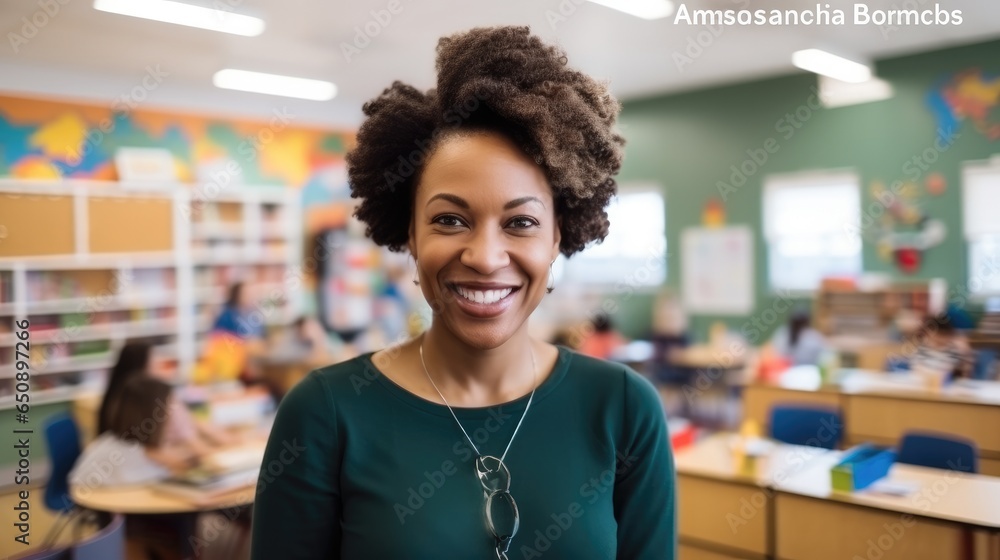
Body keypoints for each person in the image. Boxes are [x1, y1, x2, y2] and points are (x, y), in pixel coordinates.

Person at [251, 26, 676, 559]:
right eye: (450, 219)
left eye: (520, 222)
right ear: (410, 234)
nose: (484, 257)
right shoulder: (326, 413)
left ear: (557, 238)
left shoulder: (623, 409)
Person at [912, 314, 974, 380]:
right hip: (922, 383)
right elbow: (916, 368)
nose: (941, 338)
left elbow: (956, 372)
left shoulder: (954, 350)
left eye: (944, 335)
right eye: (938, 334)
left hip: (946, 386)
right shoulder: (921, 348)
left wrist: (966, 353)